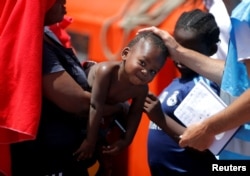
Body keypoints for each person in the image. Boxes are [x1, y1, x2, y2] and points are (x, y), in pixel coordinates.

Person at [10, 0, 126, 175]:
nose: (65, 1)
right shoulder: (32, 45)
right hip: (47, 163)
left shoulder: (47, 33)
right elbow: (77, 102)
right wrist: (120, 108)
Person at [138, 0, 250, 159]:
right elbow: (238, 77)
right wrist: (178, 51)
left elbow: (201, 144)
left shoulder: (245, 14)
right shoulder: (238, 13)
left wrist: (207, 129)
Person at [73, 31, 169, 175]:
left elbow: (135, 113)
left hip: (103, 116)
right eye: (142, 63)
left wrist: (126, 141)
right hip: (83, 105)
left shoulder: (142, 89)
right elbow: (95, 106)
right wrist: (90, 141)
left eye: (153, 71)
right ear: (125, 54)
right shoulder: (106, 72)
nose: (145, 72)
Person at [145, 9, 220, 175]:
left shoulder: (204, 86)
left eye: (190, 51)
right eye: (176, 47)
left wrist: (161, 119)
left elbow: (206, 150)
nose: (180, 56)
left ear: (212, 49)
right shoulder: (180, 82)